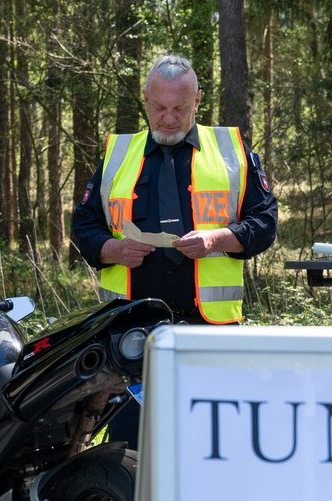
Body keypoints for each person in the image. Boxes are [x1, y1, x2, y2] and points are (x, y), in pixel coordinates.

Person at [71, 53, 277, 446]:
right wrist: (113, 249)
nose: (168, 118)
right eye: (159, 107)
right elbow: (84, 225)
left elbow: (265, 223)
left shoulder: (231, 152)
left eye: (179, 108)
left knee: (215, 444)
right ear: (145, 99)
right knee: (132, 449)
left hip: (210, 331)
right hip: (131, 334)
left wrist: (218, 240)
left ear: (197, 100)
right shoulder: (118, 155)